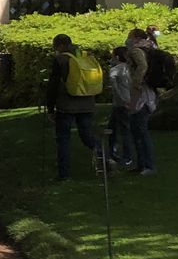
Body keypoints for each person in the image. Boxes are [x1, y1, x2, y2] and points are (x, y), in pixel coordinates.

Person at [46, 33, 107, 181]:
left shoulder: (61, 59)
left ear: (60, 45)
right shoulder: (86, 56)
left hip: (66, 105)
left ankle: (64, 174)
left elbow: (53, 85)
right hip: (87, 103)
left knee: (63, 139)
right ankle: (106, 158)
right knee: (87, 136)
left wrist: (50, 107)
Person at [124, 32, 159, 176]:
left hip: (142, 95)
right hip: (147, 94)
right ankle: (142, 164)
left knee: (141, 132)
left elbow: (142, 66)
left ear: (137, 38)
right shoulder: (150, 48)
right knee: (137, 131)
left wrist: (136, 83)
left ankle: (148, 165)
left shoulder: (136, 50)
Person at [105, 44, 136, 169]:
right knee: (112, 127)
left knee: (124, 130)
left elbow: (116, 89)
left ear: (116, 57)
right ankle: (112, 152)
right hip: (129, 101)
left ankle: (126, 157)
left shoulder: (115, 70)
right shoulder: (131, 69)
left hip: (121, 103)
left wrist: (123, 101)